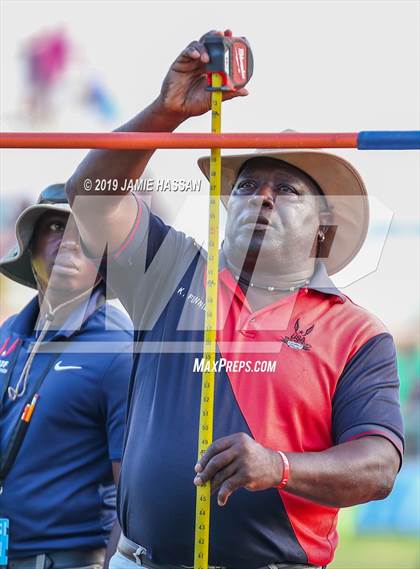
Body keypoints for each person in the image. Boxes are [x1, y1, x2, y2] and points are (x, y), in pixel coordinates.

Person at [65, 32, 404, 569]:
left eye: (286, 190)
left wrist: (280, 466)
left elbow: (379, 465)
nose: (261, 197)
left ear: (323, 229)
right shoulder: (172, 271)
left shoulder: (358, 333)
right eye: (246, 187)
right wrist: (164, 114)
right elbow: (88, 199)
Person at [0, 184, 133, 568]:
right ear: (31, 243)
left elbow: (134, 498)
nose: (70, 242)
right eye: (56, 227)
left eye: (86, 233)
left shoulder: (117, 349)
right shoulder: (9, 332)